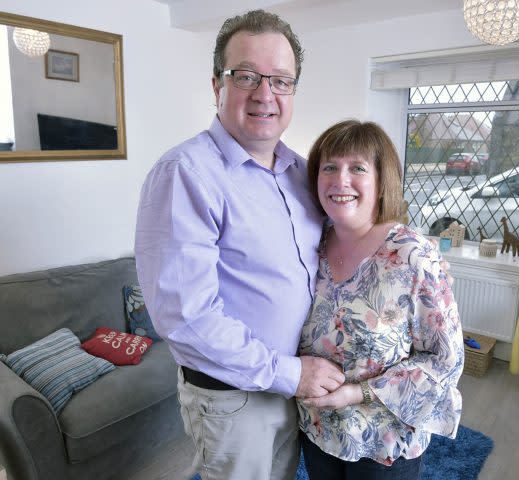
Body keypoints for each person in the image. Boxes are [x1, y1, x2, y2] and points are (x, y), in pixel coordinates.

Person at [134, 10, 345, 480]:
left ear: (293, 91)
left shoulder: (301, 173)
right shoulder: (186, 174)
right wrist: (293, 374)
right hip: (232, 395)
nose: (265, 94)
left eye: (281, 80)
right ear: (217, 86)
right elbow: (188, 317)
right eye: (246, 76)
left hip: (291, 381)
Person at [297, 119, 465, 480]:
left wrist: (358, 393)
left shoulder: (413, 256)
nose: (341, 180)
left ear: (380, 181)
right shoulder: (310, 244)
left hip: (384, 443)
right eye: (330, 167)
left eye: (357, 168)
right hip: (317, 430)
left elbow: (445, 361)